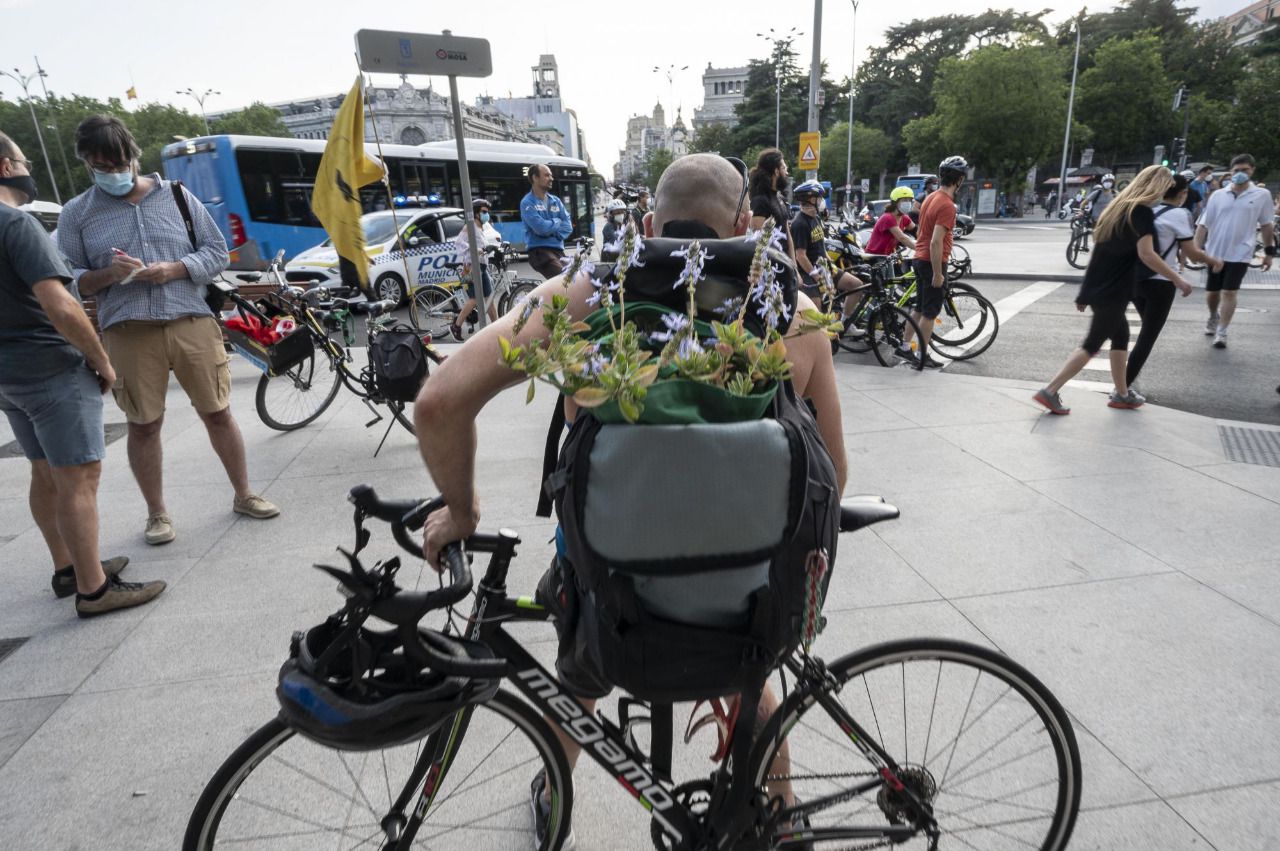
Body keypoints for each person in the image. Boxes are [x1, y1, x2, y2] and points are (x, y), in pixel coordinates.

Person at [414, 153, 846, 847]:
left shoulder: (584, 294)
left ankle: (555, 792)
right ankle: (780, 813)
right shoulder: (797, 315)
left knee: (579, 666)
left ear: (647, 223)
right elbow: (833, 477)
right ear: (744, 224)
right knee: (751, 671)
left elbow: (438, 402)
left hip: (612, 597)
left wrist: (461, 511)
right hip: (747, 597)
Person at [56, 115, 279, 546]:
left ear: (133, 156)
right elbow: (67, 279)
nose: (113, 172)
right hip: (129, 331)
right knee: (143, 425)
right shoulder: (77, 213)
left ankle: (244, 493)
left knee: (218, 413)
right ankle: (157, 514)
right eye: (101, 165)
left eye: (119, 162)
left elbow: (218, 252)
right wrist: (107, 274)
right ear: (86, 162)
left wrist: (175, 269)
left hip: (190, 321)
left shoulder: (177, 196)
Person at [0, 130, 167, 616]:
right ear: (7, 168)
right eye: (25, 159)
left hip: (8, 376)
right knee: (79, 477)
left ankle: (68, 566)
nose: (28, 166)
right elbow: (62, 305)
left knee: (44, 470)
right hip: (50, 368)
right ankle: (94, 589)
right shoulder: (16, 226)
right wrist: (101, 360)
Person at [1033, 166, 1194, 414]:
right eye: (1164, 187)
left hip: (1102, 288)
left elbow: (1099, 255)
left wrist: (1086, 292)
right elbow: (1147, 254)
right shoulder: (1141, 213)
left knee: (1120, 336)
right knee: (1092, 344)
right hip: (1114, 291)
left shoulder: (1117, 210)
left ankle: (1121, 393)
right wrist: (1177, 279)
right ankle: (1050, 391)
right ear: (1157, 186)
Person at [1127, 174, 1222, 389]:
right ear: (1182, 194)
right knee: (1148, 336)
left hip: (1135, 279)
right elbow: (1192, 253)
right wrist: (1213, 260)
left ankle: (1128, 380)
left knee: (1146, 330)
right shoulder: (1180, 214)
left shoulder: (1147, 211)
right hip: (1160, 281)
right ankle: (1124, 385)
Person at [1196, 153, 1275, 349]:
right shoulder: (1218, 195)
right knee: (1213, 293)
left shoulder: (1261, 195)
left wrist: (1269, 252)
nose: (1240, 174)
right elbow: (1203, 224)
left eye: (1245, 170)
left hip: (1241, 252)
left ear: (1252, 171)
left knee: (1230, 291)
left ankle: (1222, 332)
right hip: (1214, 252)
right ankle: (1214, 316)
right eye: (1236, 171)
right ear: (1231, 172)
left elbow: (1266, 226)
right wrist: (1197, 249)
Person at [898, 155, 968, 369]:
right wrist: (938, 273)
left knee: (919, 307)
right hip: (931, 262)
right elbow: (936, 241)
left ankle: (903, 347)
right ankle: (921, 355)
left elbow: (922, 232)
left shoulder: (930, 197)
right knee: (930, 312)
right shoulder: (947, 205)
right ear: (959, 180)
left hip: (919, 258)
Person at [789, 180, 865, 329]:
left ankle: (845, 323)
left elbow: (820, 244)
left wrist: (830, 263)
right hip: (808, 275)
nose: (822, 201)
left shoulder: (816, 218)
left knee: (857, 286)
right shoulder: (800, 224)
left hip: (826, 268)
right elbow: (800, 256)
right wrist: (816, 276)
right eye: (819, 197)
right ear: (811, 199)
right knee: (816, 312)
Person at [448, 198, 500, 340]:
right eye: (484, 212)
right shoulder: (469, 227)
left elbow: (487, 244)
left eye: (487, 212)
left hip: (482, 266)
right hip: (470, 267)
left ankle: (496, 327)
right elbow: (459, 243)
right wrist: (475, 250)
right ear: (476, 213)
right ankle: (456, 326)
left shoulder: (482, 227)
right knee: (475, 298)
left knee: (489, 297)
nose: (486, 214)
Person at [520, 163, 573, 279]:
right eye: (547, 175)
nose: (551, 178)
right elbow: (541, 229)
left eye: (551, 176)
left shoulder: (556, 201)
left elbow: (568, 226)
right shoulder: (527, 203)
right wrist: (557, 221)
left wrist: (552, 231)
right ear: (535, 178)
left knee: (576, 277)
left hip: (558, 250)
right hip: (540, 252)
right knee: (563, 281)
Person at [748, 148, 794, 260]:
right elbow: (757, 240)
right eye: (784, 168)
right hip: (769, 266)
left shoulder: (780, 197)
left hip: (786, 262)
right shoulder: (760, 201)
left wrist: (794, 266)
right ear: (776, 171)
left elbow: (788, 235)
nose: (787, 172)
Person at [864, 186, 917, 256]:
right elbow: (902, 238)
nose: (908, 203)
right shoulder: (888, 218)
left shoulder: (904, 218)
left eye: (909, 200)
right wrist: (921, 249)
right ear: (895, 203)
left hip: (888, 256)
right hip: (875, 256)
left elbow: (916, 231)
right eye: (904, 200)